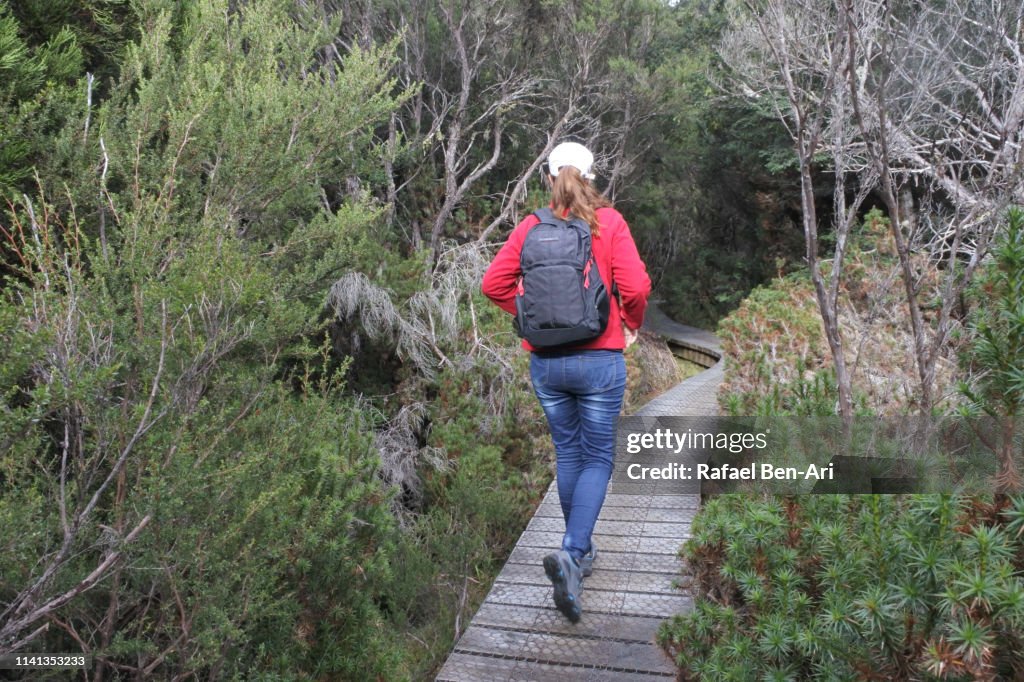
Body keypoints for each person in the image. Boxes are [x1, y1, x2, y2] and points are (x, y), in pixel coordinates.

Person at [481, 141, 651, 622]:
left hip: (548, 365)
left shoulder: (531, 226)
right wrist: (629, 321)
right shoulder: (609, 222)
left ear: (547, 177)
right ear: (593, 176)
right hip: (600, 360)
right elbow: (635, 287)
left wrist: (531, 319)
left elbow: (492, 285)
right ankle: (574, 553)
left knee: (569, 454)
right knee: (598, 456)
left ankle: (579, 553)